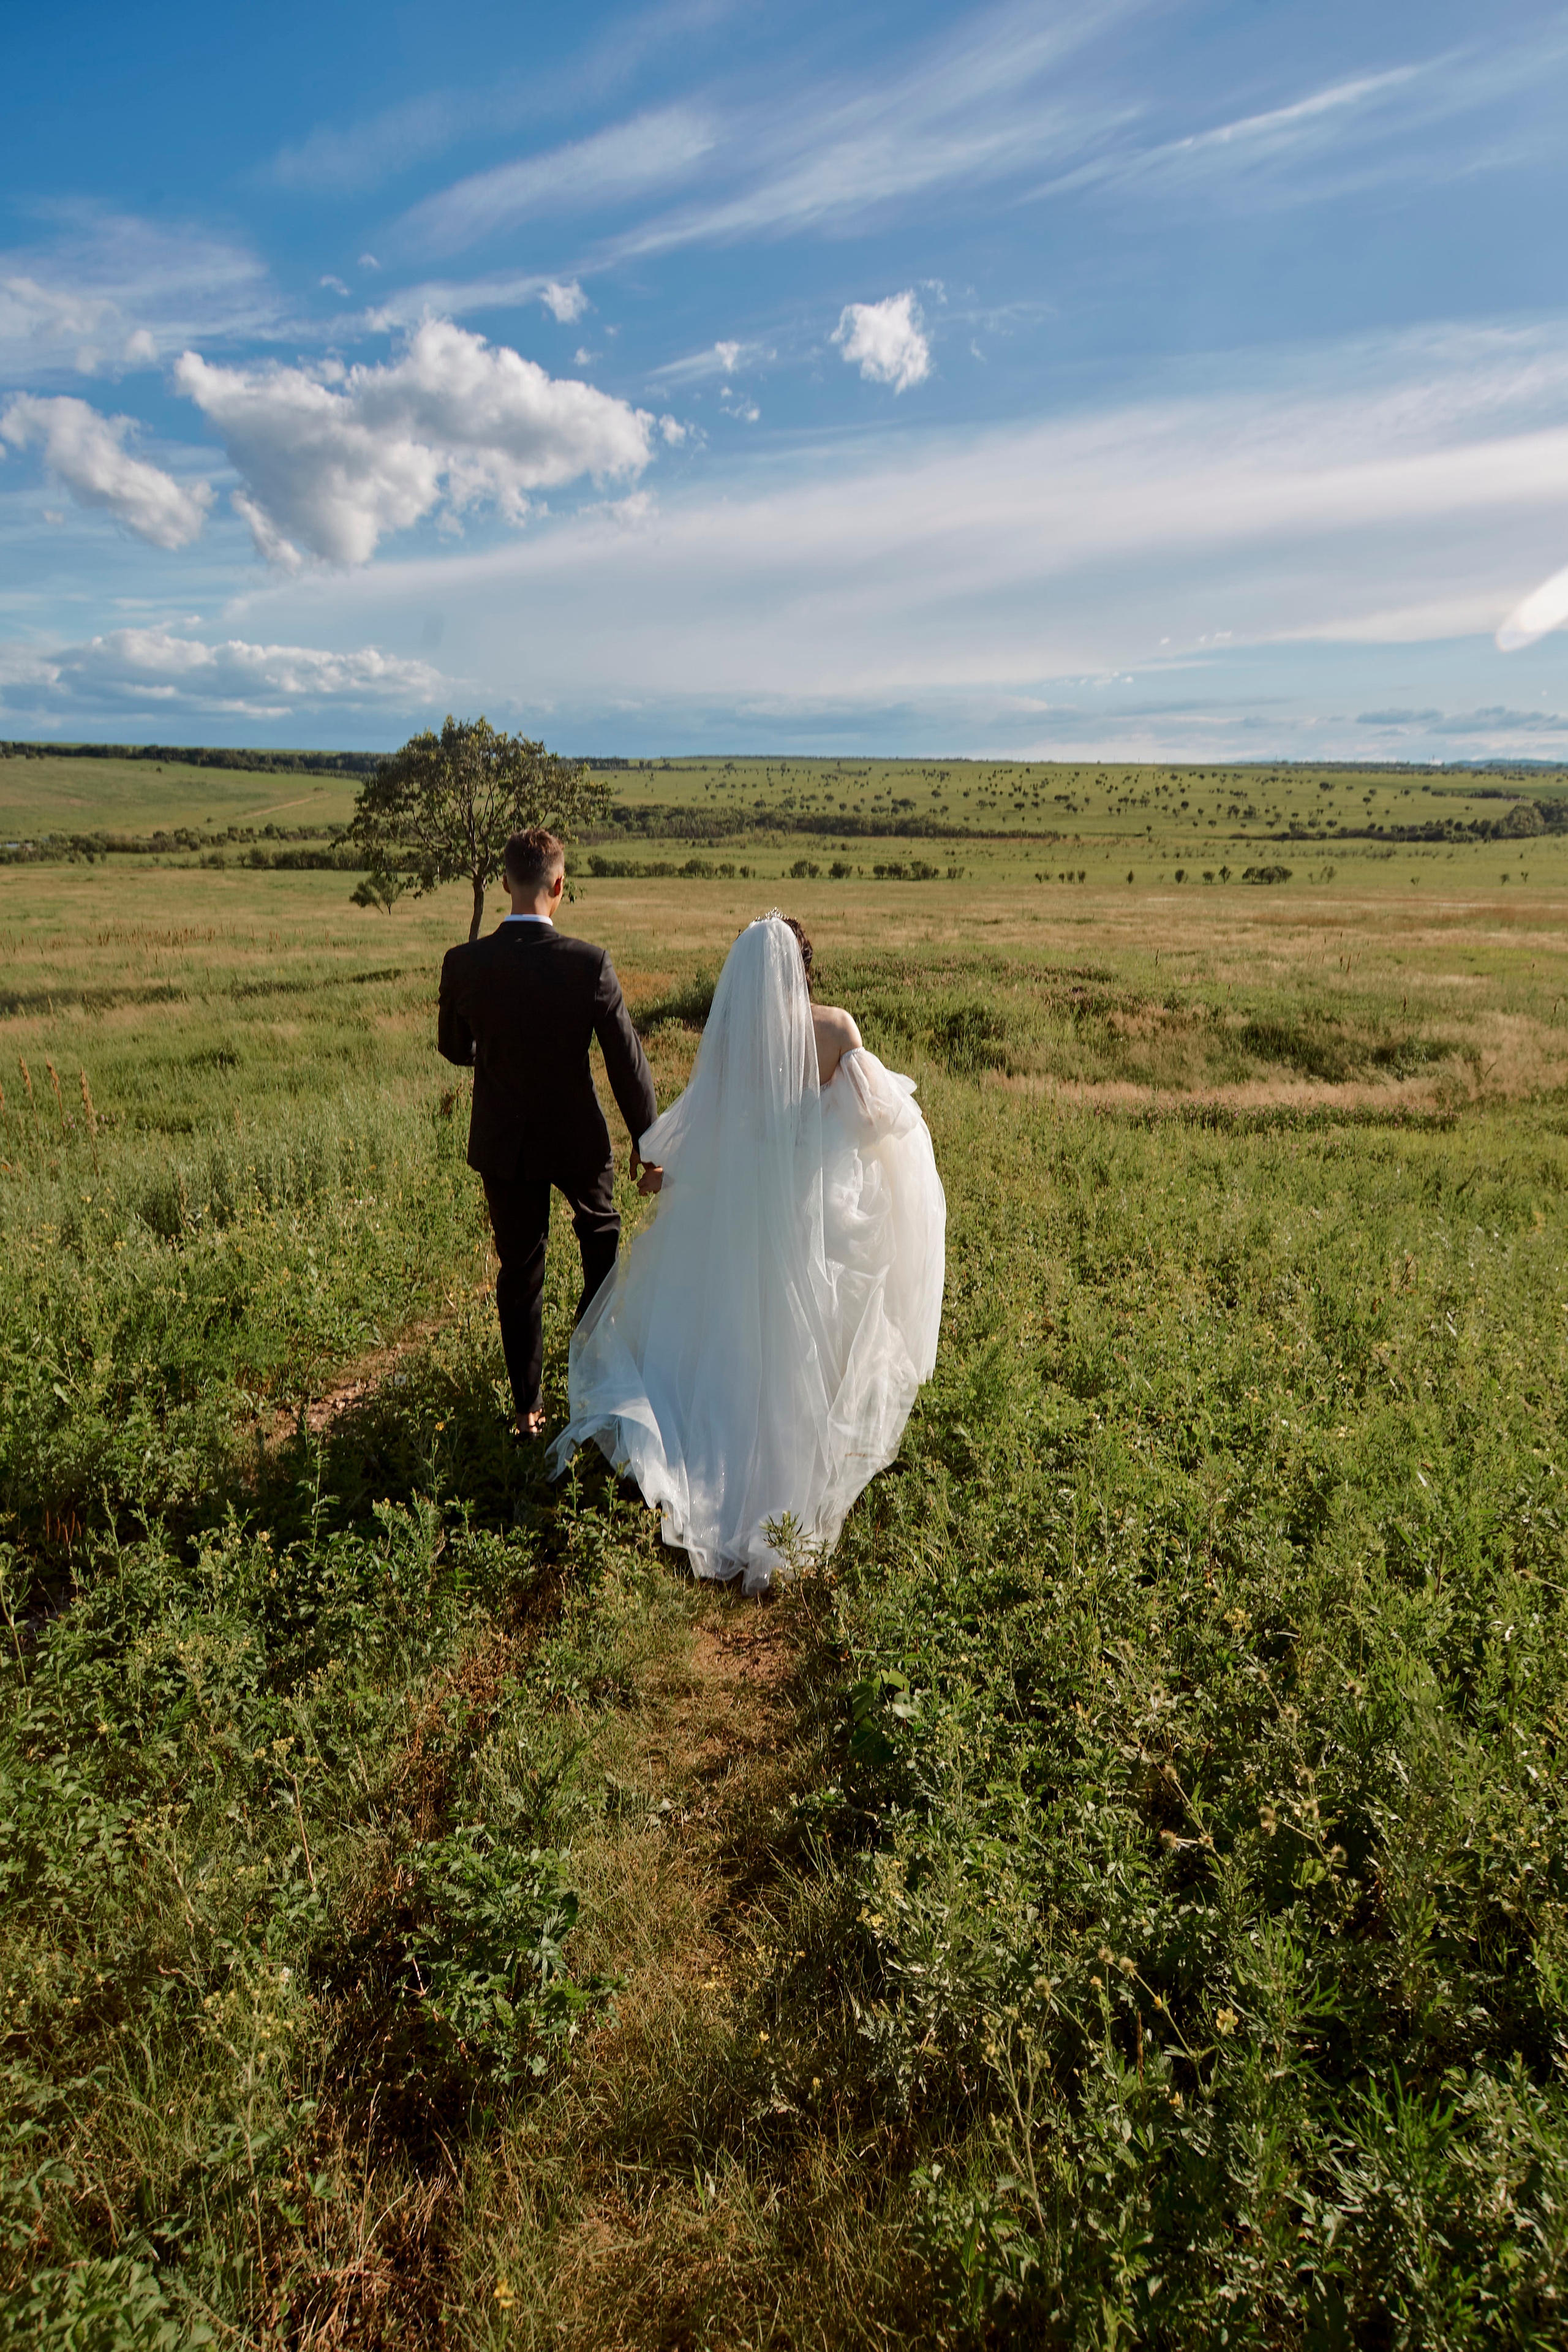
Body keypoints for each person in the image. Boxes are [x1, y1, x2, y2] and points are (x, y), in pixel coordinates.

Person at [549, 911, 946, 1592]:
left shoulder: (732, 1037)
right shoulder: (835, 1029)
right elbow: (874, 1120)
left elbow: (711, 1119)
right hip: (812, 1214)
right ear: (803, 965)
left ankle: (714, 1474)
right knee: (808, 1343)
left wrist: (664, 1164)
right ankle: (791, 1490)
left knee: (730, 1340)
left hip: (740, 1210)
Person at [437, 827, 658, 1439]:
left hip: (503, 1140)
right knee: (600, 1243)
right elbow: (625, 1061)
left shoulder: (464, 963)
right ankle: (593, 1380)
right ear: (559, 886)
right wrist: (649, 1140)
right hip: (577, 1138)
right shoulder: (589, 964)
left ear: (505, 883)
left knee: (520, 1269)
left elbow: (453, 1048)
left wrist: (498, 1049)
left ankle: (527, 1410)